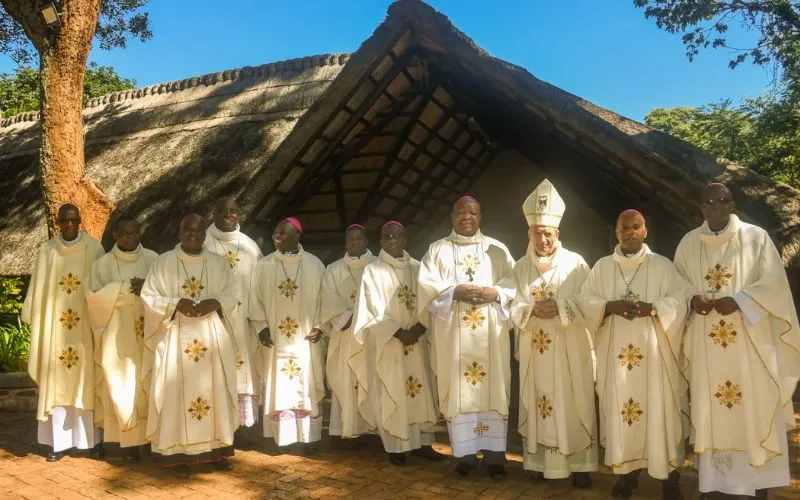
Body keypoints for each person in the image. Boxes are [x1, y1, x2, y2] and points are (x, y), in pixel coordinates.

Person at [673, 183, 800, 499]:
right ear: (700, 206)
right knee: (708, 406)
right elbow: (677, 285)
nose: (714, 206)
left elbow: (774, 286)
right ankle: (712, 485)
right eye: (708, 201)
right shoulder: (688, 244)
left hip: (748, 345)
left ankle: (755, 485)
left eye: (721, 200)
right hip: (705, 345)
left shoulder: (756, 239)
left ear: (732, 204)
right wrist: (691, 299)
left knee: (751, 407)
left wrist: (741, 299)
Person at [579, 209, 687, 499]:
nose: (630, 232)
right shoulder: (602, 267)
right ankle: (626, 476)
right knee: (621, 413)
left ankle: (670, 479)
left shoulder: (663, 266)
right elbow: (585, 300)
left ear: (645, 231)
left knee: (660, 412)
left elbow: (680, 301)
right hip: (616, 361)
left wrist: (653, 308)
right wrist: (608, 307)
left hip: (655, 359)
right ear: (616, 233)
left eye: (635, 227)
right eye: (624, 228)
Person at [418, 196, 515, 480]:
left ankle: (496, 457)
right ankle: (465, 456)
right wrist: (452, 292)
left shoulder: (497, 250)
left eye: (472, 213)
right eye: (461, 213)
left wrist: (494, 293)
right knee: (459, 394)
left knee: (494, 390)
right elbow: (425, 287)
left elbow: (513, 284)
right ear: (452, 216)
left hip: (491, 340)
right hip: (454, 340)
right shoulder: (437, 250)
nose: (467, 217)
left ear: (480, 216)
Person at [508, 179, 597, 486]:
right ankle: (537, 461)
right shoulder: (519, 268)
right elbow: (510, 302)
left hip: (569, 350)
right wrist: (531, 310)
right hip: (535, 348)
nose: (543, 239)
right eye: (538, 233)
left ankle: (580, 466)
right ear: (529, 234)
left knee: (573, 402)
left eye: (548, 233)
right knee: (537, 401)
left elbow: (590, 301)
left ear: (558, 234)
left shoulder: (577, 264)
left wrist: (560, 307)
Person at [140, 214, 238, 477]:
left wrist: (215, 302)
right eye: (188, 230)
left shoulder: (218, 263)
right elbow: (148, 296)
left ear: (205, 235)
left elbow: (233, 292)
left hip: (211, 337)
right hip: (175, 337)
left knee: (215, 390)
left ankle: (217, 450)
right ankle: (178, 454)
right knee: (175, 393)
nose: (193, 234)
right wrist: (175, 304)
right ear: (179, 232)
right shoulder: (163, 262)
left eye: (198, 231)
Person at [351, 221, 446, 465]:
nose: (392, 239)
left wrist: (420, 327)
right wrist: (396, 332)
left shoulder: (418, 268)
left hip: (417, 339)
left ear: (406, 239)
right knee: (392, 390)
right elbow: (369, 309)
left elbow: (431, 302)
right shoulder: (373, 271)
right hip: (389, 343)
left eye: (397, 235)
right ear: (381, 242)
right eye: (387, 236)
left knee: (422, 391)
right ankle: (396, 447)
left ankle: (423, 443)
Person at [22, 203, 105, 462]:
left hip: (85, 329)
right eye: (65, 221)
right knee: (56, 379)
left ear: (80, 221)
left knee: (87, 380)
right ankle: (57, 443)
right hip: (55, 329)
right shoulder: (47, 251)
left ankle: (91, 442)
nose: (70, 225)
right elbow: (38, 290)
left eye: (74, 220)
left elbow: (102, 287)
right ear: (58, 222)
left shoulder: (94, 249)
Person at [248, 217, 325, 452]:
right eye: (275, 232)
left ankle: (308, 438)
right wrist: (261, 326)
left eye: (283, 233)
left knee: (307, 385)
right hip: (276, 341)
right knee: (278, 385)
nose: (277, 236)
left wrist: (320, 326)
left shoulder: (314, 265)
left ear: (297, 236)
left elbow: (326, 299)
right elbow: (254, 298)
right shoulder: (263, 266)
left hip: (305, 340)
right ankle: (282, 438)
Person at [86, 216, 157, 463]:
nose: (130, 237)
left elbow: (167, 290)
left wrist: (147, 285)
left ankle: (150, 440)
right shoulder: (103, 264)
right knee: (122, 382)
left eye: (135, 232)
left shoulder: (153, 259)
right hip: (118, 332)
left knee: (148, 380)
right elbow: (93, 297)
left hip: (148, 329)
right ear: (114, 236)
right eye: (125, 234)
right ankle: (127, 443)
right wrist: (124, 287)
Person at [203, 197, 263, 435]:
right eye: (223, 211)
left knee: (244, 371)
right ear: (214, 213)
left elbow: (259, 286)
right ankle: (217, 426)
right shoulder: (204, 243)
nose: (229, 215)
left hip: (243, 322)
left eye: (233, 211)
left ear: (239, 214)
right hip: (214, 321)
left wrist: (258, 321)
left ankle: (244, 429)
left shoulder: (250, 246)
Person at [320, 224, 376, 440]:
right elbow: (328, 300)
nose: (355, 242)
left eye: (359, 238)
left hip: (370, 335)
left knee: (370, 378)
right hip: (345, 335)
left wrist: (362, 316)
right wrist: (353, 316)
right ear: (345, 243)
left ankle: (372, 428)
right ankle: (349, 429)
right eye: (350, 239)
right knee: (346, 379)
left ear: (366, 241)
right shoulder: (333, 269)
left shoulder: (378, 265)